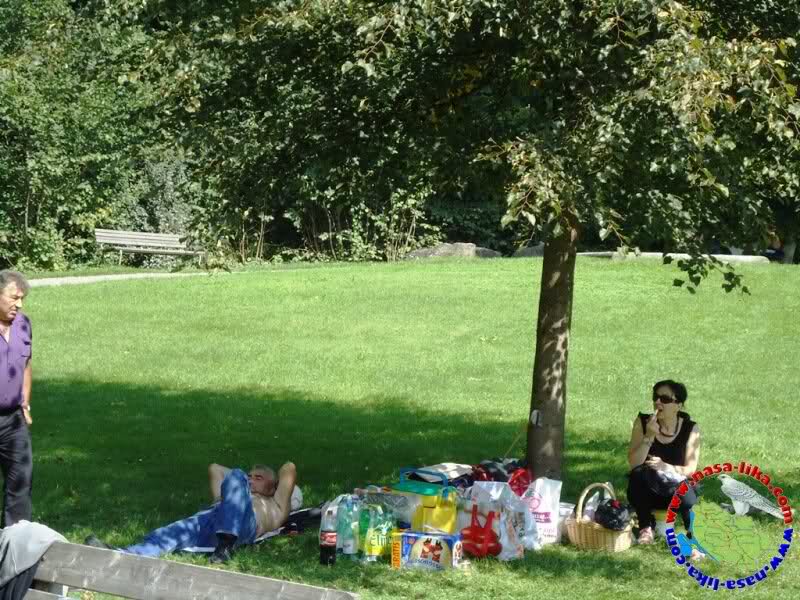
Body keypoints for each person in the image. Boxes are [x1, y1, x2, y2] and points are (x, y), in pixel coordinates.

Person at [87, 461, 297, 563]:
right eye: (250, 477)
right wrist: (242, 481)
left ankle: (226, 545)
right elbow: (215, 468)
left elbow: (289, 467)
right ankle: (122, 555)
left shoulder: (275, 506)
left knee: (236, 475)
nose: (251, 480)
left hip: (244, 525)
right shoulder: (232, 490)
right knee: (167, 534)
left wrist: (265, 483)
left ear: (273, 487)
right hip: (209, 520)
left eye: (258, 478)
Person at [627, 380, 701, 545]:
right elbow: (634, 463)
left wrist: (666, 467)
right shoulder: (643, 422)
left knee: (688, 497)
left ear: (678, 405)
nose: (658, 402)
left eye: (665, 399)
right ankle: (646, 528)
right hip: (648, 490)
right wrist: (649, 437)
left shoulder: (690, 429)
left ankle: (694, 540)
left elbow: (691, 469)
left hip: (675, 490)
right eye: (656, 397)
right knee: (638, 475)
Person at [0, 270, 33, 527]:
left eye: (22, 298)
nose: (19, 304)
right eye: (14, 297)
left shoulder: (23, 324)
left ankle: (15, 540)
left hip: (13, 420)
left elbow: (26, 364)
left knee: (21, 480)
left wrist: (25, 401)